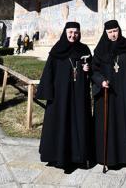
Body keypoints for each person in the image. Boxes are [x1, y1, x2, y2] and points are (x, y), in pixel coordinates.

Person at [36, 22, 93, 169]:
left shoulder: (84, 49)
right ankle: (57, 156)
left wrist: (88, 68)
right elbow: (49, 72)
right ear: (65, 32)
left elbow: (91, 68)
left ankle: (78, 156)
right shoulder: (57, 49)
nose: (73, 35)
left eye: (76, 32)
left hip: (79, 95)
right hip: (60, 96)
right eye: (70, 32)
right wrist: (48, 93)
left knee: (78, 122)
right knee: (60, 123)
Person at [91, 20, 126, 169]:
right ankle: (109, 158)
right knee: (109, 125)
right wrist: (101, 81)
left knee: (123, 122)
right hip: (106, 94)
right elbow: (93, 70)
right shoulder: (100, 49)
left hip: (124, 93)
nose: (113, 34)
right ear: (105, 33)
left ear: (119, 30)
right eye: (110, 32)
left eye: (115, 31)